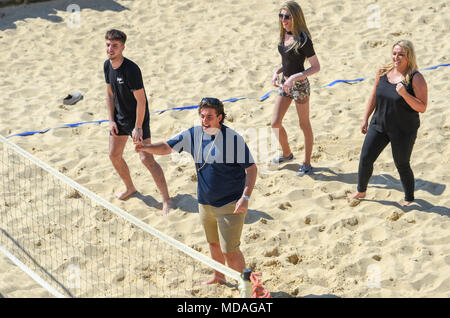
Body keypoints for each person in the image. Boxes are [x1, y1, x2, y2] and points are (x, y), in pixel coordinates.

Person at [135, 97, 257, 284]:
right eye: (202, 116)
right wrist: (145, 147)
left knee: (230, 252)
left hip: (230, 204)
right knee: (213, 244)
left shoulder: (233, 139)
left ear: (220, 117)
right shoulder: (194, 134)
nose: (204, 121)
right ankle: (218, 277)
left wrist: (245, 197)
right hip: (204, 202)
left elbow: (251, 169)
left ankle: (251, 288)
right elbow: (167, 147)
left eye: (209, 117)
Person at [349, 40, 428, 206]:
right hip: (379, 124)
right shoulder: (383, 72)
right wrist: (365, 118)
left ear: (409, 56)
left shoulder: (415, 78)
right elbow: (374, 96)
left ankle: (409, 198)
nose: (396, 57)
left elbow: (422, 107)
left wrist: (405, 94)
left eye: (401, 54)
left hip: (403, 129)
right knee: (365, 158)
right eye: (394, 53)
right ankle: (361, 190)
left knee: (402, 164)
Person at [104, 29, 172, 215]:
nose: (110, 49)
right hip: (119, 119)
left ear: (123, 47)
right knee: (114, 155)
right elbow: (110, 95)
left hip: (137, 119)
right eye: (108, 44)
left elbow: (141, 100)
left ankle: (166, 199)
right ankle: (130, 188)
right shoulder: (107, 66)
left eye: (115, 46)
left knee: (146, 159)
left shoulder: (131, 69)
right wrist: (111, 120)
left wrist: (138, 127)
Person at [271, 1, 320, 176]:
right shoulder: (283, 35)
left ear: (295, 17)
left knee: (304, 124)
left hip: (299, 85)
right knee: (275, 123)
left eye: (287, 16)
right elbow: (289, 61)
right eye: (281, 16)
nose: (283, 20)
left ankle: (307, 164)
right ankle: (287, 154)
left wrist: (293, 77)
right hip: (286, 83)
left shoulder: (303, 39)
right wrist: (277, 71)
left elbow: (315, 67)